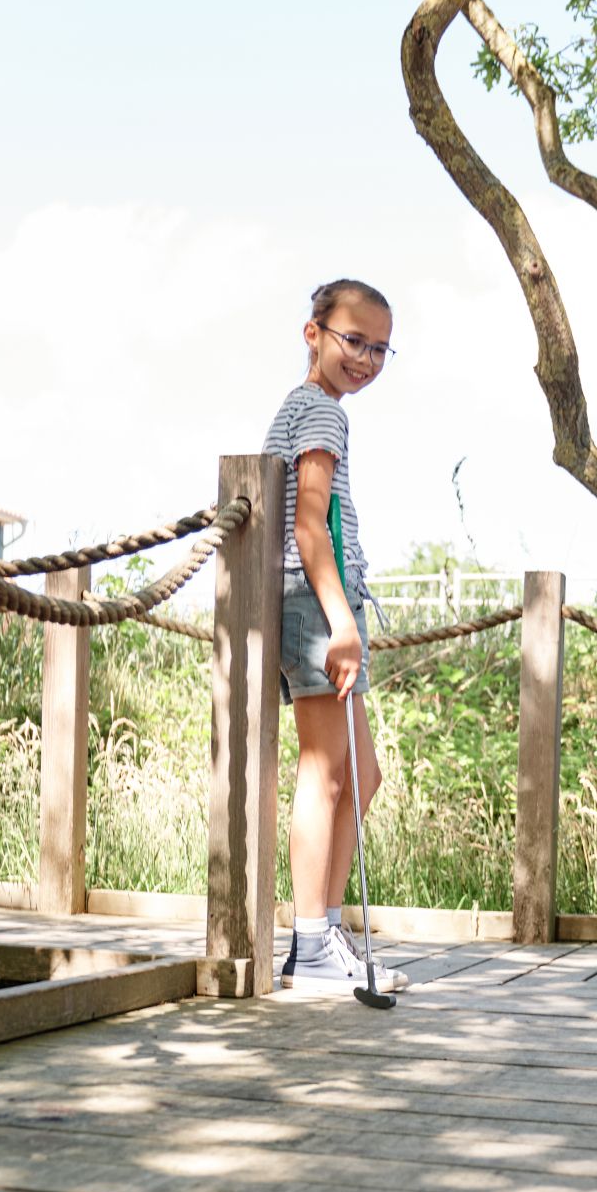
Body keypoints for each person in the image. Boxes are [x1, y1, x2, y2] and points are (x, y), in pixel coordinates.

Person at [267, 279, 410, 992]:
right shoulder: (319, 412)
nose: (367, 358)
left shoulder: (312, 410)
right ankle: (310, 942)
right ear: (313, 333)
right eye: (354, 339)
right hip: (314, 604)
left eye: (381, 347)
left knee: (361, 773)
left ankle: (325, 931)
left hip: (319, 602)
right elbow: (306, 525)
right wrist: (343, 623)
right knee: (324, 770)